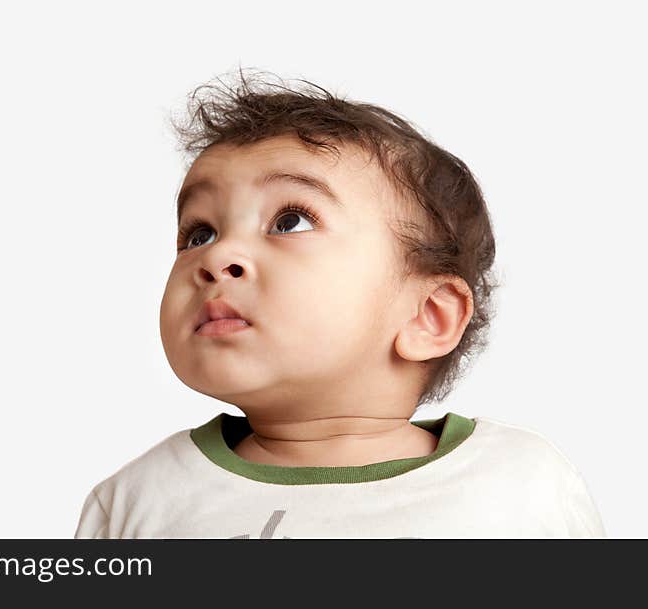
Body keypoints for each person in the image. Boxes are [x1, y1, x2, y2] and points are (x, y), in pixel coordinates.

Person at [74, 68, 605, 538]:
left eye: (290, 221)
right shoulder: (138, 503)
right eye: (199, 234)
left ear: (428, 316)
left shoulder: (521, 485)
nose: (217, 258)